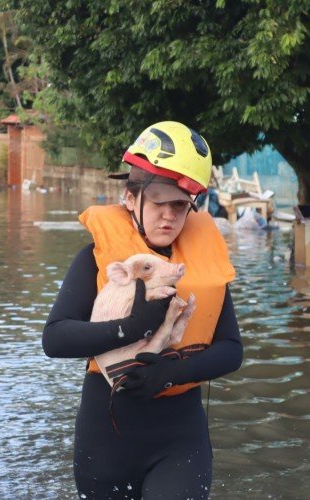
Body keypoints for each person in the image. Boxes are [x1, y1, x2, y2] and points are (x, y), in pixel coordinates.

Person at [43, 121, 242, 499]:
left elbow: (232, 349)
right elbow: (54, 338)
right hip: (106, 443)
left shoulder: (202, 269)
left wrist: (170, 374)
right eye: (158, 202)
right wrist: (130, 327)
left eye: (180, 205)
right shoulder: (95, 260)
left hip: (180, 442)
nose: (168, 216)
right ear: (130, 199)